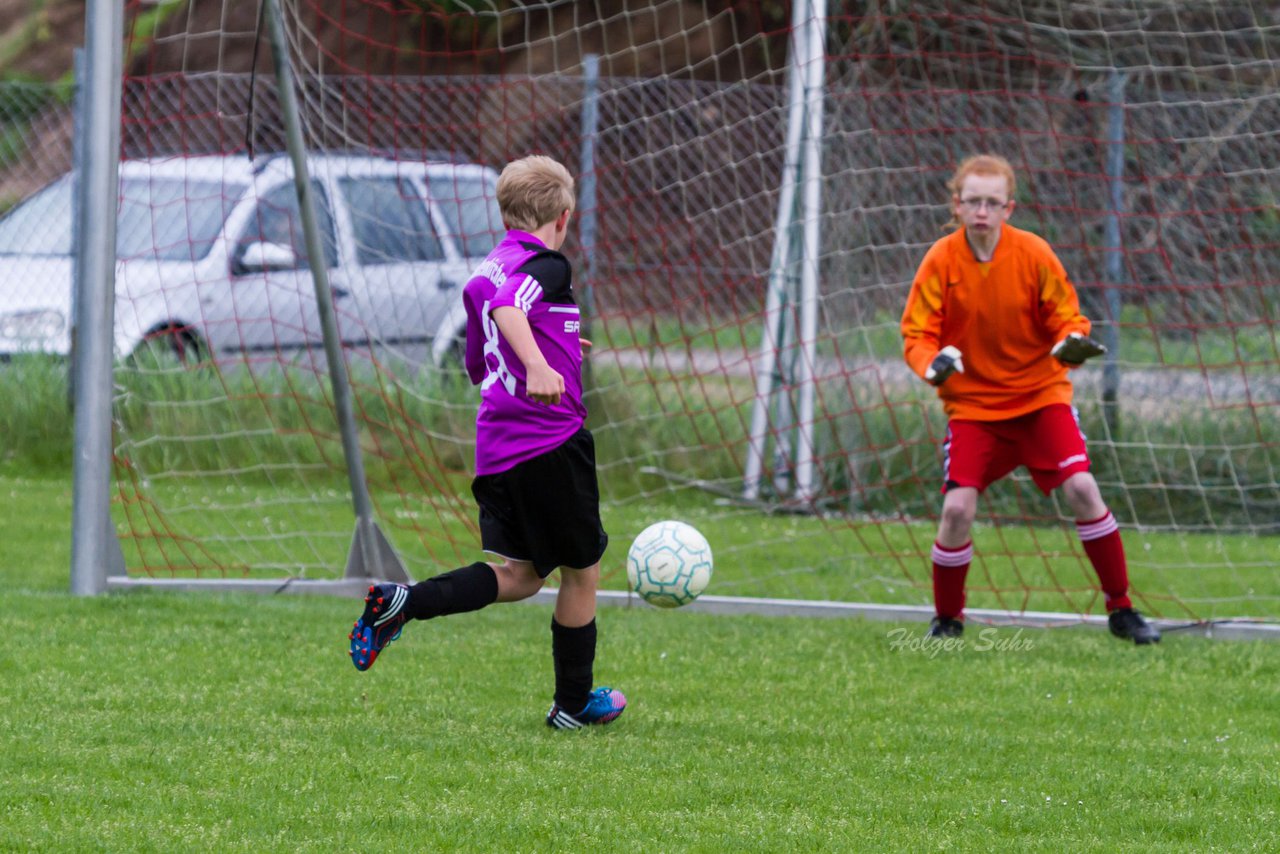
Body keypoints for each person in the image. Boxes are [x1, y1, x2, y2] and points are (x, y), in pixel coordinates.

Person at [348, 155, 627, 727]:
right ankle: (573, 705)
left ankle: (403, 603)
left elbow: (480, 359)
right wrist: (540, 367)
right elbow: (510, 310)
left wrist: (560, 347)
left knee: (520, 577)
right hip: (549, 441)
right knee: (582, 572)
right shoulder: (547, 265)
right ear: (565, 217)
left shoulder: (488, 268)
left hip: (498, 447)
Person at [900, 153, 1160, 645]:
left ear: (1009, 208)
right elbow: (917, 333)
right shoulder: (940, 259)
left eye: (992, 202)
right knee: (957, 510)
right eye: (972, 201)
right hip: (974, 408)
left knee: (1083, 489)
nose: (982, 211)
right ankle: (947, 621)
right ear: (956, 205)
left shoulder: (1034, 253)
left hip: (1040, 397)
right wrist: (930, 364)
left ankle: (1122, 610)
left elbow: (1068, 318)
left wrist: (1071, 341)